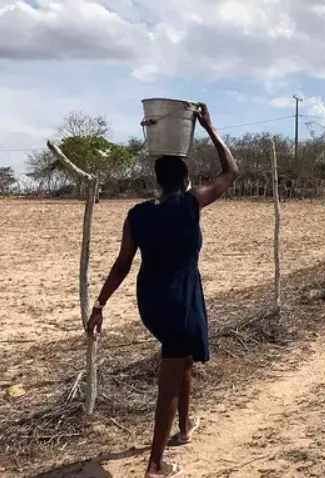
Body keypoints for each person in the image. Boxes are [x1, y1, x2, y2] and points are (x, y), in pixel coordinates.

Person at [86, 104, 238, 478]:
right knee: (170, 376)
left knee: (181, 358)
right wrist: (210, 127)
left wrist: (100, 304)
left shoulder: (137, 214)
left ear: (157, 181)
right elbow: (231, 172)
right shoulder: (190, 204)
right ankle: (155, 465)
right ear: (185, 179)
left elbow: (122, 265)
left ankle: (184, 428)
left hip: (151, 300)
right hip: (181, 300)